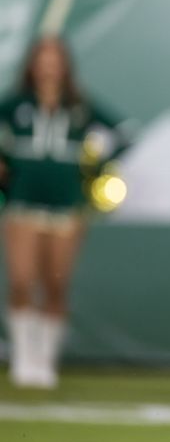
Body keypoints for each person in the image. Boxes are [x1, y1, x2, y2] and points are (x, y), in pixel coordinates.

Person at [0, 35, 130, 388]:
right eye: (43, 57)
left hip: (66, 205)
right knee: (22, 280)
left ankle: (45, 359)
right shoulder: (16, 104)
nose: (49, 65)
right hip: (23, 202)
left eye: (55, 58)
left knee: (56, 283)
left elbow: (122, 133)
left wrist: (96, 162)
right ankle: (23, 355)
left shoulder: (79, 106)